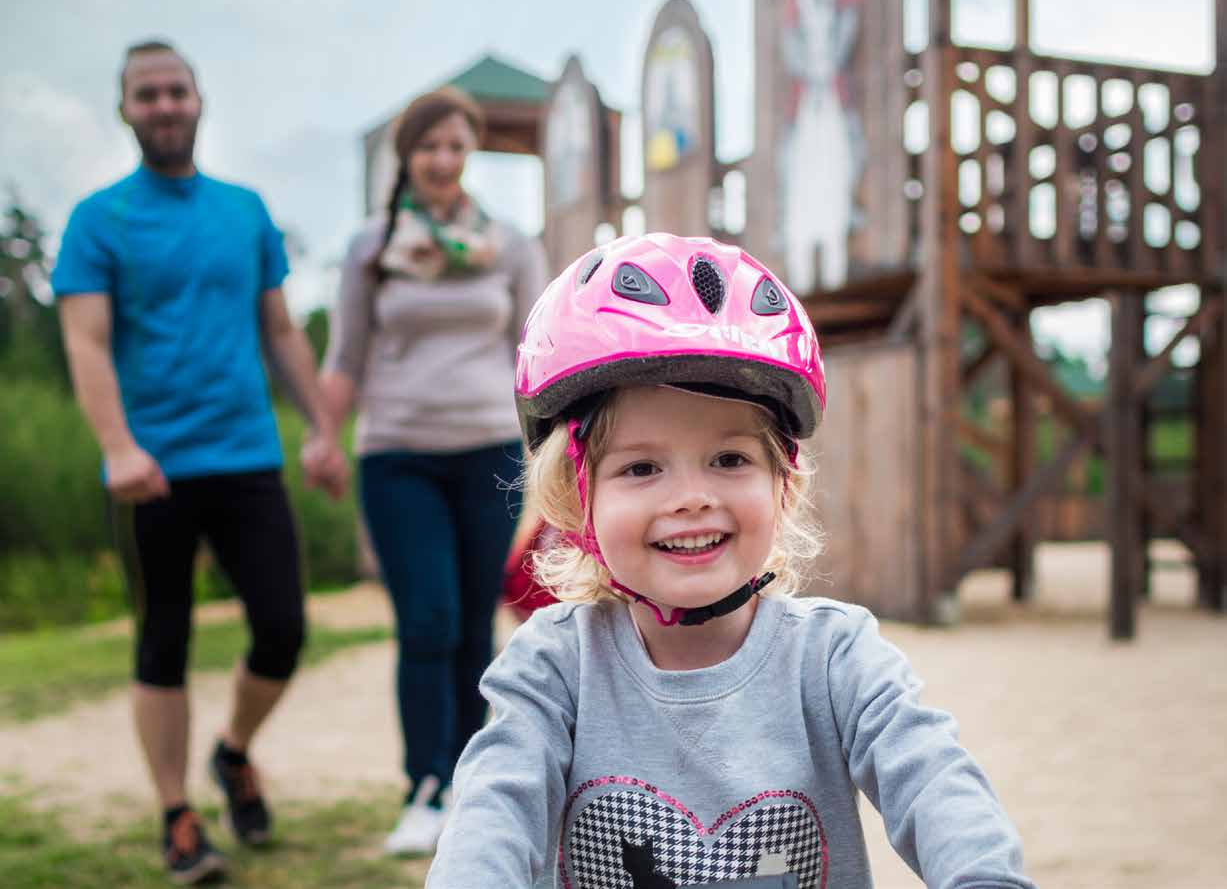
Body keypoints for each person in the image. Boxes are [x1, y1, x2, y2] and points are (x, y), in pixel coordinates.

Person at [425, 233, 1035, 889]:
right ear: (575, 500)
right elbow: (491, 814)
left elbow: (934, 780)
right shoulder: (551, 668)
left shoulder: (836, 657)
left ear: (785, 483)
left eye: (729, 458)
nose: (691, 496)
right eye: (640, 466)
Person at [51, 39, 348, 885]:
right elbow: (87, 342)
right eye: (147, 94)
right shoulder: (97, 220)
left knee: (284, 630)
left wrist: (323, 430)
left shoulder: (244, 210)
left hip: (247, 454)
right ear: (126, 110)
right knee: (163, 641)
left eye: (176, 90)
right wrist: (117, 447)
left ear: (200, 99)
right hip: (152, 467)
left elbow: (282, 332)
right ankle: (177, 814)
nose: (165, 105)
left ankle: (234, 751)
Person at [320, 86, 548, 855]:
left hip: (487, 448)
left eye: (457, 146)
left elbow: (536, 350)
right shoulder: (370, 247)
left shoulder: (511, 244)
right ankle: (423, 784)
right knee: (427, 618)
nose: (444, 161)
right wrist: (324, 434)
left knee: (473, 623)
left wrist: (566, 441)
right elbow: (344, 354)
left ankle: (469, 781)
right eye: (429, 147)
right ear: (406, 156)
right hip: (396, 452)